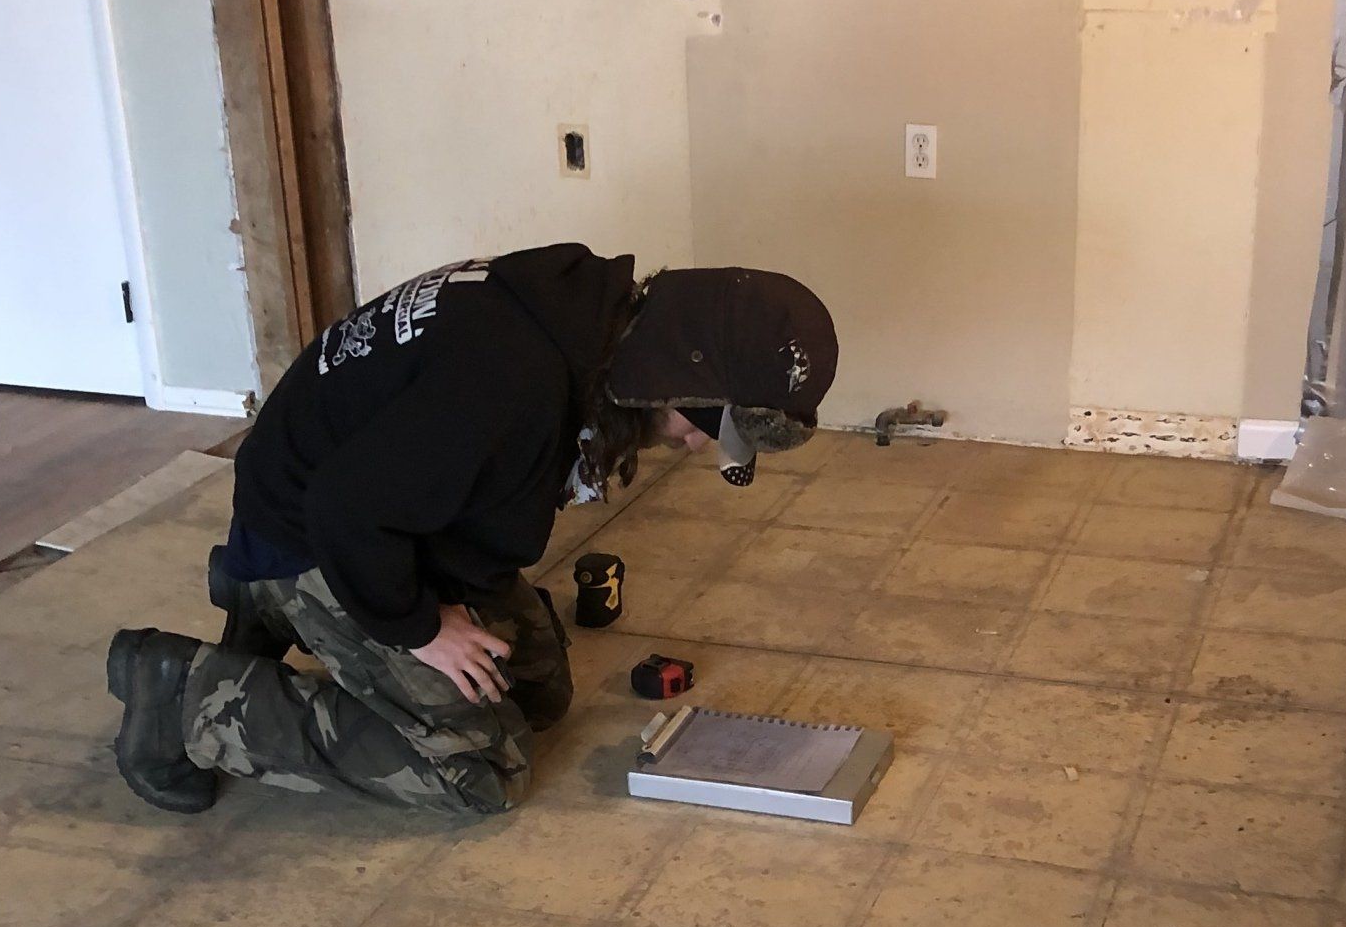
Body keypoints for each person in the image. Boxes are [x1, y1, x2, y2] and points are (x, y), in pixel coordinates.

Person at [105, 247, 837, 819]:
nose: (696, 445)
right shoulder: (511, 384)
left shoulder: (584, 313)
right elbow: (344, 505)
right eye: (703, 423)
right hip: (314, 529)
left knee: (538, 697)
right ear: (672, 372)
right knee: (475, 775)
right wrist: (421, 626)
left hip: (382, 509)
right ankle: (187, 696)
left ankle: (262, 600)